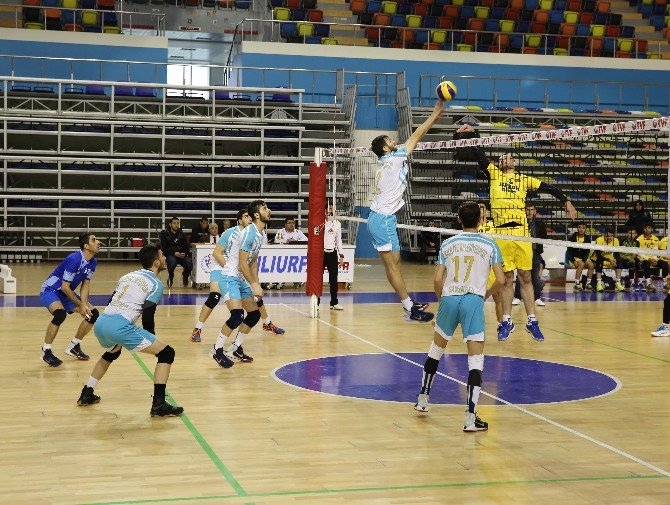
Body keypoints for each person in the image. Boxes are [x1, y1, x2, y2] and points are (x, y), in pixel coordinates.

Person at [457, 124, 577, 341]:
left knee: (525, 277)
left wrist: (566, 200)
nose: (504, 159)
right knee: (506, 279)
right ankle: (507, 322)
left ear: (514, 163)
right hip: (501, 235)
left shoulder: (524, 179)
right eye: (501, 157)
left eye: (507, 157)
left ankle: (532, 321)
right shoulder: (493, 174)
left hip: (521, 232)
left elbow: (549, 188)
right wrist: (473, 133)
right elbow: (479, 153)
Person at [413, 201, 504, 432]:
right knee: (475, 360)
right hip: (473, 299)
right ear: (481, 219)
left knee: (436, 349)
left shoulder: (448, 243)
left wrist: (443, 301)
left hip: (450, 297)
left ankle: (423, 399)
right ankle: (470, 417)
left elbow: (436, 279)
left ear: (459, 220)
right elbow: (501, 281)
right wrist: (484, 296)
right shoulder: (490, 244)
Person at [76, 244, 183, 417]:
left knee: (112, 353)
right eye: (162, 256)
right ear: (156, 263)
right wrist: (151, 341)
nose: (165, 259)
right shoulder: (155, 283)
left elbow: (112, 299)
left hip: (102, 322)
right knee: (167, 354)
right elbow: (148, 315)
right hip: (120, 326)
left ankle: (87, 392)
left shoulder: (129, 275)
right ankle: (159, 404)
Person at [368, 99, 445, 323]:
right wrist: (435, 114)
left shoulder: (386, 160)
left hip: (383, 218)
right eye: (390, 140)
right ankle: (409, 309)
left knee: (396, 264)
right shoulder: (393, 160)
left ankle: (409, 303)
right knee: (392, 266)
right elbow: (416, 136)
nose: (394, 141)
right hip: (382, 220)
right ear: (385, 148)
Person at [190, 208, 285, 343]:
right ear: (239, 220)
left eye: (250, 216)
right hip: (220, 265)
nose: (250, 218)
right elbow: (217, 253)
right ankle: (198, 328)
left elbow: (253, 260)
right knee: (214, 297)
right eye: (246, 216)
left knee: (255, 295)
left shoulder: (255, 233)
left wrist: (255, 282)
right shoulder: (230, 232)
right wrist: (229, 269)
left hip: (238, 268)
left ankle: (267, 322)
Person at [209, 200, 271, 368]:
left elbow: (253, 262)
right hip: (229, 277)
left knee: (254, 315)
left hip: (241, 278)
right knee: (237, 315)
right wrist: (254, 285)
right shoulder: (250, 232)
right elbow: (242, 263)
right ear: (256, 214)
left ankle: (235, 348)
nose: (269, 210)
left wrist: (255, 283)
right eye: (265, 208)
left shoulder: (261, 234)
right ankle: (217, 350)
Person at [39, 233, 101, 367]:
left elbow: (85, 285)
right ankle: (46, 351)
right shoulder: (74, 259)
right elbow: (65, 287)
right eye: (94, 240)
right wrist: (80, 304)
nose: (98, 242)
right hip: (51, 290)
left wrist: (84, 305)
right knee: (60, 314)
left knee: (93, 314)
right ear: (86, 246)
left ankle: (74, 346)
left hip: (65, 293)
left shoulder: (93, 262)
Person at [512, 203, 547, 306]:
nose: (529, 212)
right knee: (520, 275)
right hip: (522, 252)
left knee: (535, 276)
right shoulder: (520, 223)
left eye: (531, 209)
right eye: (528, 209)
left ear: (534, 211)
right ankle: (517, 297)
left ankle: (536, 298)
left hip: (535, 253)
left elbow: (543, 238)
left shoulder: (540, 223)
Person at [478, 202, 503, 332]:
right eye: (478, 208)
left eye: (482, 208)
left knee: (497, 296)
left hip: (492, 265)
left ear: (486, 211)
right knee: (474, 298)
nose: (480, 210)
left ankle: (501, 324)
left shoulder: (494, 225)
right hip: (478, 266)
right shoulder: (473, 227)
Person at [321, 204, 344, 311]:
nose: (331, 210)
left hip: (332, 253)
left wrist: (341, 255)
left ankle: (334, 302)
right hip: (321, 253)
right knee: (318, 278)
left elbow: (339, 240)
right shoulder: (321, 222)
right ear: (325, 210)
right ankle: (316, 303)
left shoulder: (337, 224)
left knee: (333, 279)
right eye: (329, 208)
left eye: (332, 209)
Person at [159, 217, 193, 289]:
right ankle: (171, 277)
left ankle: (185, 275)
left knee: (189, 262)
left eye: (178, 223)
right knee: (172, 261)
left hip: (181, 255)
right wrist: (174, 253)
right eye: (174, 223)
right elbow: (164, 249)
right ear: (170, 224)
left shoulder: (182, 234)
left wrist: (185, 253)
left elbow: (187, 247)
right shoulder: (164, 234)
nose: (176, 225)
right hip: (171, 254)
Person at [567, 222, 594, 291]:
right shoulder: (572, 238)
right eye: (580, 227)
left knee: (591, 265)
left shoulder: (587, 239)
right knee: (581, 264)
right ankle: (577, 283)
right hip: (574, 258)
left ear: (585, 230)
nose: (581, 229)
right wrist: (573, 260)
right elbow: (569, 251)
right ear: (577, 228)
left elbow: (587, 252)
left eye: (583, 228)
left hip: (583, 258)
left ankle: (588, 283)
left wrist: (584, 260)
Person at [636, 223, 660, 292]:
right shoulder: (639, 239)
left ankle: (666, 284)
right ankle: (649, 283)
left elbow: (656, 251)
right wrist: (649, 259)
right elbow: (639, 253)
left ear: (652, 229)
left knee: (664, 264)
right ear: (644, 229)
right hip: (642, 258)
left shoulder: (656, 239)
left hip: (653, 258)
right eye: (646, 228)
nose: (647, 229)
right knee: (646, 263)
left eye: (649, 228)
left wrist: (654, 259)